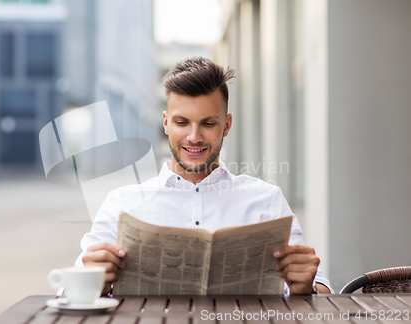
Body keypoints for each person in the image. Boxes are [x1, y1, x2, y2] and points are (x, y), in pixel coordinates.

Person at [76, 57, 333, 295]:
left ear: (227, 125)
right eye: (182, 122)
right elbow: (69, 292)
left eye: (208, 124)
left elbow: (321, 289)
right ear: (165, 123)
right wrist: (90, 281)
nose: (194, 137)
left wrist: (307, 287)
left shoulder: (267, 200)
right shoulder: (122, 203)